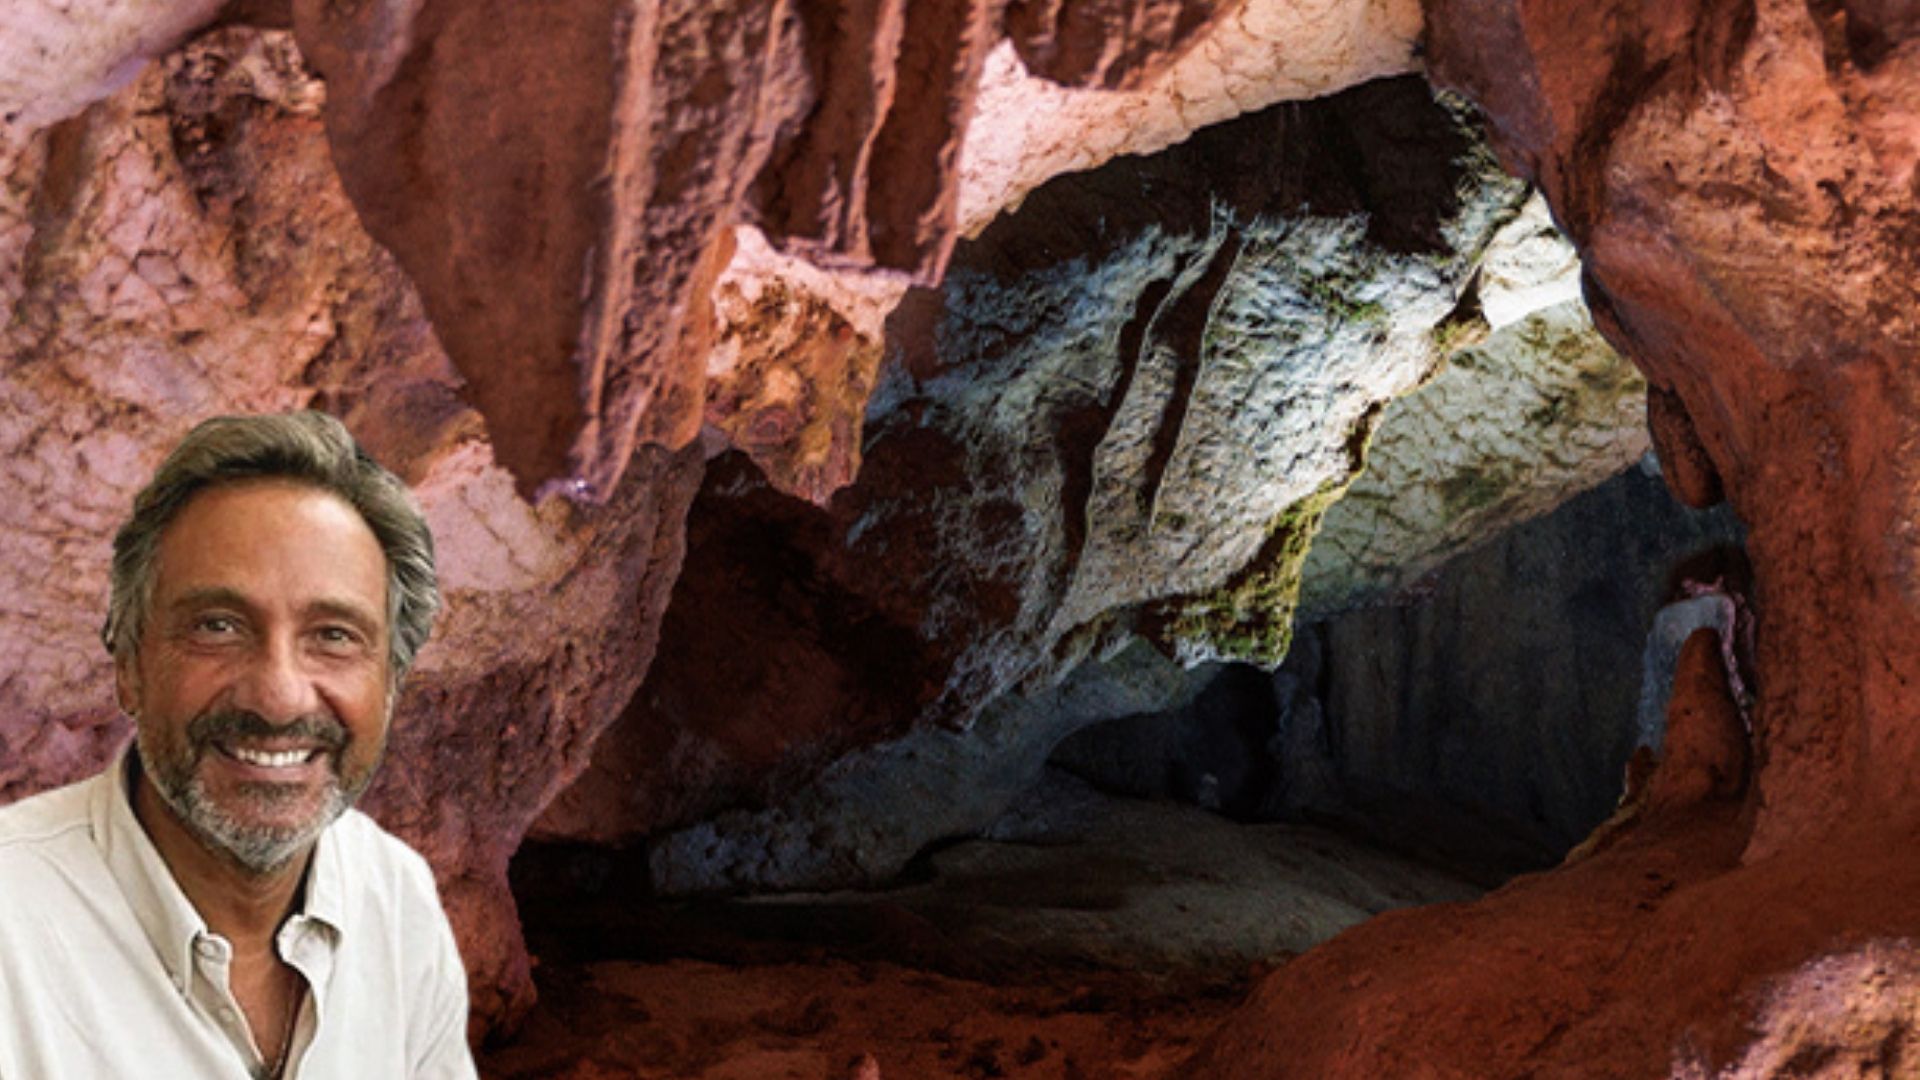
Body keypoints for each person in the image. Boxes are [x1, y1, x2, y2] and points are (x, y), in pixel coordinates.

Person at [0, 412, 477, 1078]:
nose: (278, 696)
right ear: (129, 666)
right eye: (219, 626)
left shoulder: (397, 900)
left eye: (334, 634)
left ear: (392, 684)